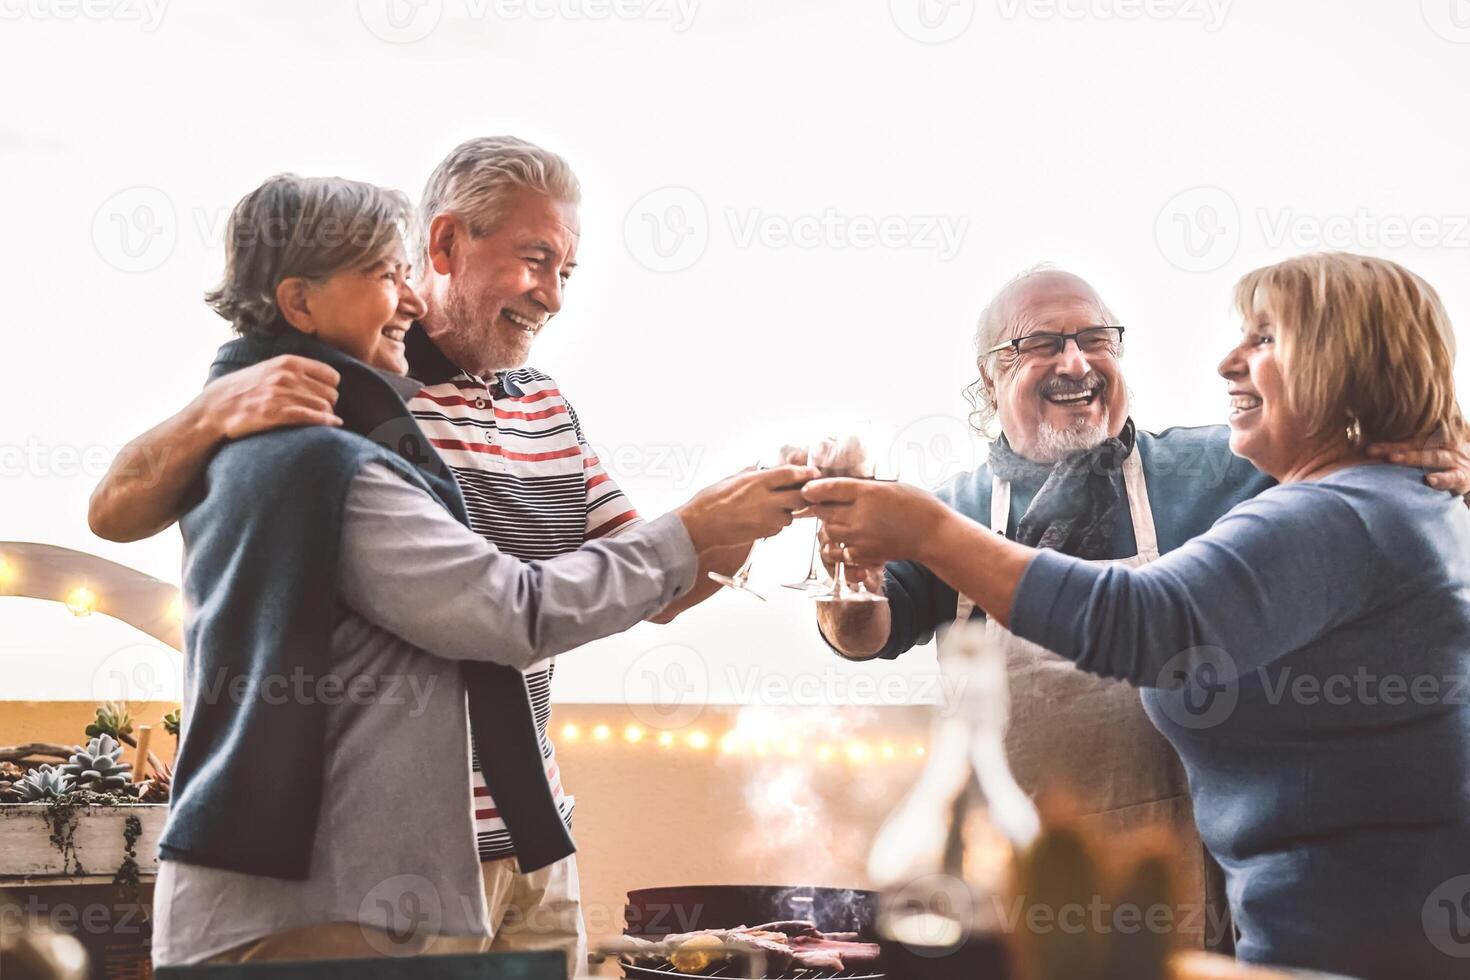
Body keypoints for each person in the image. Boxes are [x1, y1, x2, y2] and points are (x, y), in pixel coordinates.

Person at [89, 138, 753, 974]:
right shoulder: (316, 409)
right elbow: (515, 611)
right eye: (534, 259)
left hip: (535, 832)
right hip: (400, 858)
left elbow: (649, 577)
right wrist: (216, 403)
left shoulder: (542, 405)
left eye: (568, 272)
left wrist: (760, 511)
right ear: (444, 245)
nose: (551, 294)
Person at [805, 252, 1470, 978]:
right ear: (989, 382)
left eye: (1096, 339)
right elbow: (864, 633)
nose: (1075, 361)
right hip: (1039, 876)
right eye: (1040, 344)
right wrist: (848, 565)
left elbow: (1149, 623)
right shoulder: (960, 503)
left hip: (1255, 913)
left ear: (1346, 369)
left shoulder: (1244, 478)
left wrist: (1448, 448)